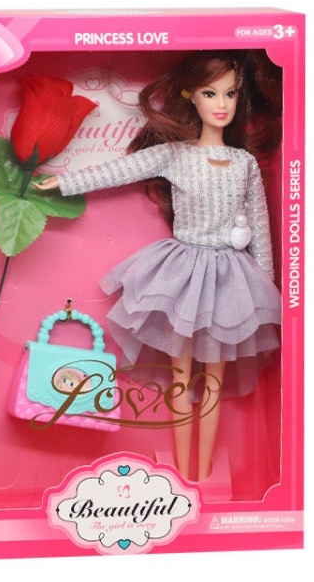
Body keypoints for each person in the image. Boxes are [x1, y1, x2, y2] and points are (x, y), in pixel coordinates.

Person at [35, 50, 282, 481]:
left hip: (230, 278)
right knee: (182, 377)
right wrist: (65, 181)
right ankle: (184, 476)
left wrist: (267, 297)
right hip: (183, 275)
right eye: (210, 93)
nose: (221, 104)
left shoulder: (244, 164)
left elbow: (260, 228)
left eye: (230, 94)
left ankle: (203, 472)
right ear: (191, 96)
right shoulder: (174, 154)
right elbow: (120, 170)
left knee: (214, 379)